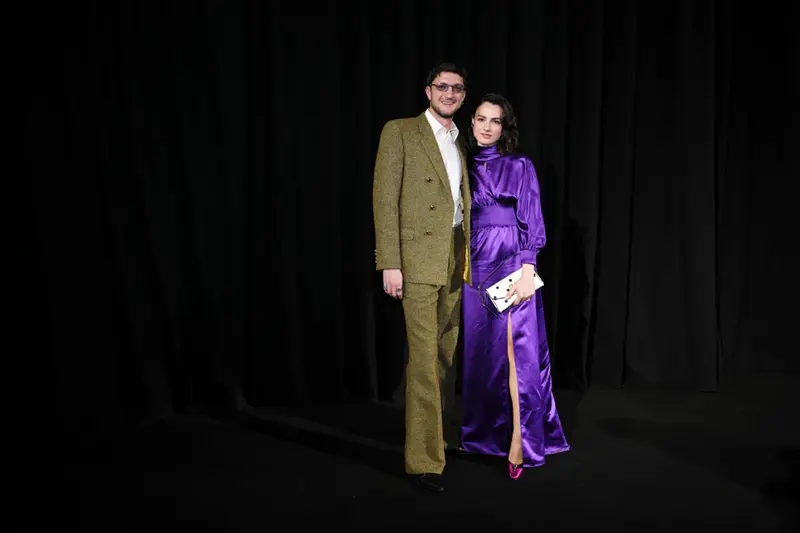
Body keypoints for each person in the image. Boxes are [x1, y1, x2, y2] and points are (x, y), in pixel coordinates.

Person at [372, 62, 472, 492]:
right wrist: (389, 262)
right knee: (424, 360)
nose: (449, 94)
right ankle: (424, 460)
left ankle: (441, 438)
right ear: (428, 90)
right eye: (442, 87)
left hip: (454, 257)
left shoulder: (458, 140)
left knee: (447, 356)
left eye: (458, 89)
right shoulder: (400, 131)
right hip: (415, 260)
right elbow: (384, 199)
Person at [460, 93, 570, 480]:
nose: (487, 126)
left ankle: (520, 446)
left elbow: (531, 216)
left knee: (517, 354)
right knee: (482, 357)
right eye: (481, 119)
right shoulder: (461, 165)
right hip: (474, 266)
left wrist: (528, 266)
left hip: (511, 262)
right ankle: (482, 437)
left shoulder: (519, 165)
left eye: (496, 120)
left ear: (506, 127)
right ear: (471, 122)